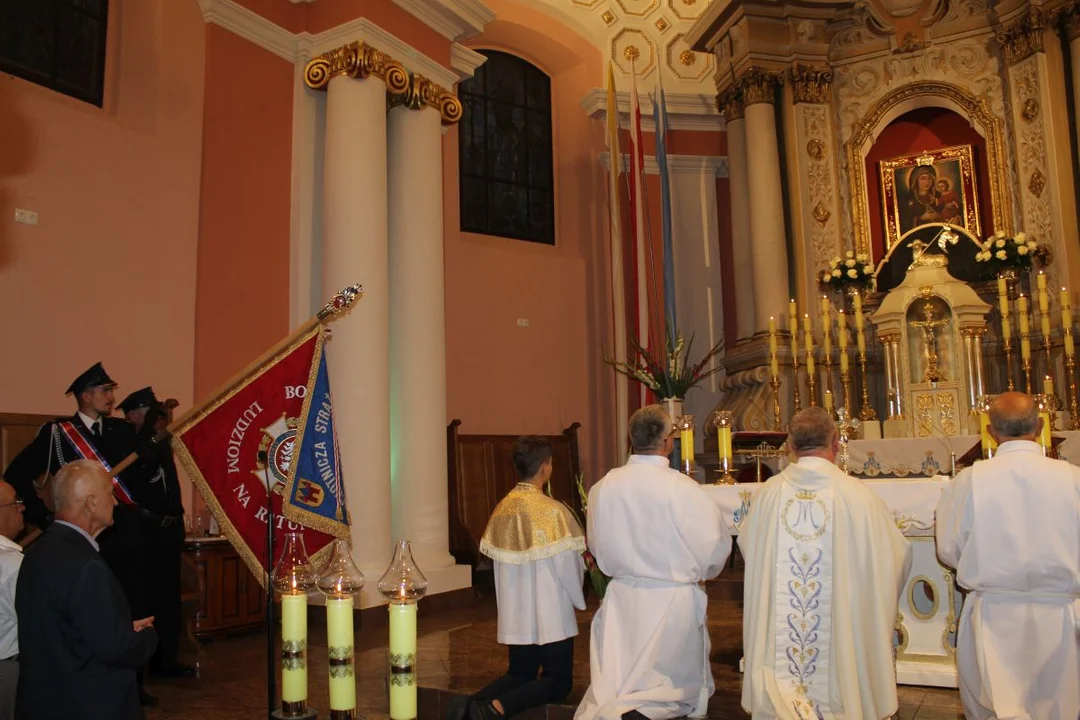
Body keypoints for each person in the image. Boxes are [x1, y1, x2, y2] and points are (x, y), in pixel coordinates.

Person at [739, 407, 912, 719]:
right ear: (835, 441)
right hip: (842, 644)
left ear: (790, 445)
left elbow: (751, 551)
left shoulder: (768, 495)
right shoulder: (858, 496)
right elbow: (893, 559)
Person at [575, 405, 732, 720]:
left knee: (619, 686)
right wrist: (701, 572)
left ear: (631, 440)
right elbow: (713, 549)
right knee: (666, 689)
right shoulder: (683, 488)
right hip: (671, 604)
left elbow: (597, 546)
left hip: (623, 601)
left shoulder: (603, 487)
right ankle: (643, 711)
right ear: (668, 442)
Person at [935, 392, 1079, 720]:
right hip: (1059, 617)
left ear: (990, 431)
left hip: (992, 615)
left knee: (993, 707)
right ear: (1041, 425)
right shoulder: (1072, 479)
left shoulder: (969, 481)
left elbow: (948, 548)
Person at [450, 436, 586, 720]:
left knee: (520, 673)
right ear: (545, 468)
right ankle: (495, 709)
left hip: (518, 614)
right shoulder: (553, 512)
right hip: (552, 618)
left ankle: (470, 704)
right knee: (559, 683)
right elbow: (567, 569)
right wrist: (579, 598)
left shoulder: (503, 509)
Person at [16, 460, 158, 720]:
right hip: (88, 704)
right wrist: (146, 636)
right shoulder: (87, 566)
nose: (115, 502)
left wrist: (120, 629)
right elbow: (117, 649)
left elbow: (65, 629)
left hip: (44, 703)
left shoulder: (35, 554)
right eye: (109, 494)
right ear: (91, 503)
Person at [118, 387, 193, 679]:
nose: (161, 422)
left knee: (168, 601)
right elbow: (140, 463)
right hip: (143, 532)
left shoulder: (162, 443)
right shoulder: (131, 445)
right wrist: (152, 424)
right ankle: (143, 668)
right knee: (144, 599)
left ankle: (167, 661)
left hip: (168, 530)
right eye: (152, 416)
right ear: (135, 415)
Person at [0, 481, 25, 720]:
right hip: (5, 669)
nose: (22, 508)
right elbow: (32, 619)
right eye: (15, 503)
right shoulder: (10, 563)